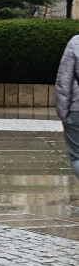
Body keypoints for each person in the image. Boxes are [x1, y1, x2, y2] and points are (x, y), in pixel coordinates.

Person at [55, 34, 79, 178]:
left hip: (76, 110)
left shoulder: (76, 42)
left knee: (77, 157)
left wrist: (62, 112)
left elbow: (64, 80)